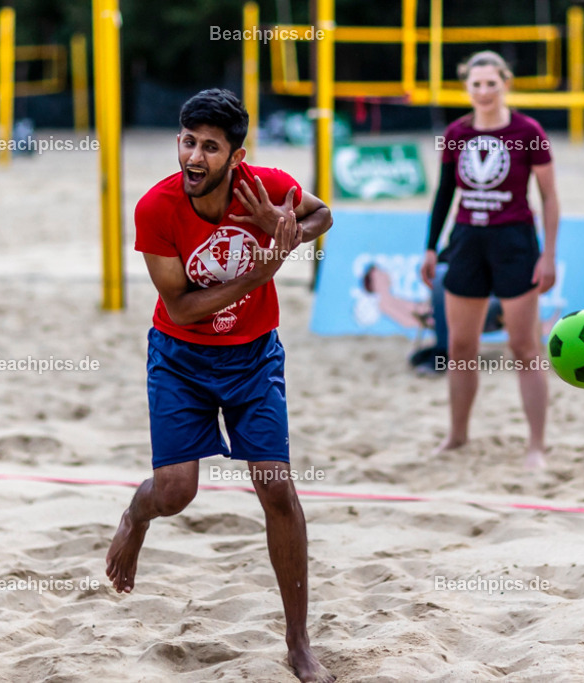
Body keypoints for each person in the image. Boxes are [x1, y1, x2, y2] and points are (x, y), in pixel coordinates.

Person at [105, 89, 334, 683]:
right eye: (188, 141)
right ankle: (136, 515)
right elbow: (180, 308)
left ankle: (298, 642)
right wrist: (260, 270)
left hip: (254, 358)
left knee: (277, 490)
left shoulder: (265, 184)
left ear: (236, 155)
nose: (195, 156)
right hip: (181, 358)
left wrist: (286, 228)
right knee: (176, 492)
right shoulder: (155, 208)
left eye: (211, 146)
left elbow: (323, 214)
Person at [420, 50, 559, 469]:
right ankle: (457, 435)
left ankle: (536, 445)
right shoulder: (457, 133)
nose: (483, 91)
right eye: (476, 84)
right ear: (466, 87)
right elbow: (444, 193)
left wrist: (549, 254)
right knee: (460, 346)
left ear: (506, 84)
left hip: (515, 242)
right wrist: (431, 246)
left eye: (491, 83)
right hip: (466, 241)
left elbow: (550, 197)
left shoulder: (528, 130)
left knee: (524, 346)